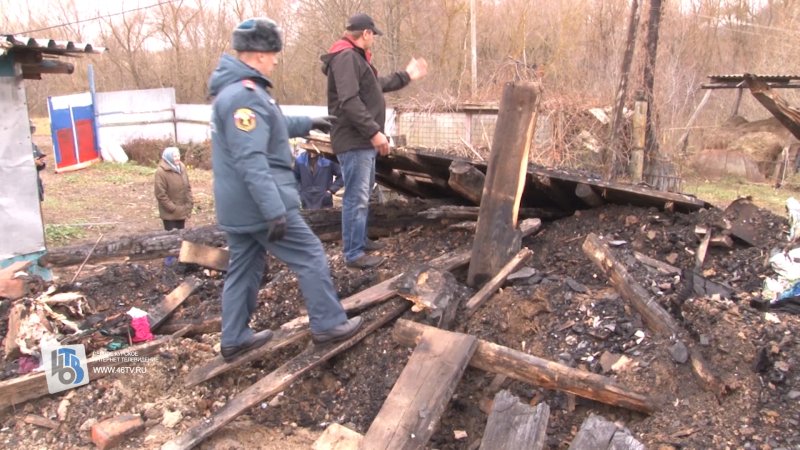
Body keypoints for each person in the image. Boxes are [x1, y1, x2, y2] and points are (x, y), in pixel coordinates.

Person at [208, 17, 362, 362]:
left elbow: (270, 124)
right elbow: (251, 159)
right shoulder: (243, 97)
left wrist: (308, 122)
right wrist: (273, 210)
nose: (277, 59)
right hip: (259, 204)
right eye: (274, 52)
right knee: (309, 254)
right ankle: (328, 323)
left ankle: (234, 337)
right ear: (260, 53)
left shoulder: (239, 92)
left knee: (244, 267)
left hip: (238, 208)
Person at [321, 13, 428, 269]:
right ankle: (354, 253)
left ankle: (361, 241)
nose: (374, 40)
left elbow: (376, 85)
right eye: (373, 35)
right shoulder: (346, 58)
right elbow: (349, 100)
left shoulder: (356, 60)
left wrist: (406, 75)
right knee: (356, 197)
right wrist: (373, 132)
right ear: (366, 34)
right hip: (355, 139)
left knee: (362, 193)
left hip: (362, 140)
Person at [154, 146, 194, 231]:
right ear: (168, 157)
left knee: (181, 237)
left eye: (178, 156)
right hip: (170, 215)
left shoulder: (182, 167)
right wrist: (172, 208)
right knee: (171, 239)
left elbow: (187, 186)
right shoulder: (161, 172)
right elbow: (160, 194)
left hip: (182, 211)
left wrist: (190, 202)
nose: (177, 158)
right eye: (174, 156)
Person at [30, 121, 46, 202]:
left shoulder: (32, 145)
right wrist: (31, 162)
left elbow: (40, 158)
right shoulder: (13, 147)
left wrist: (41, 162)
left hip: (34, 183)